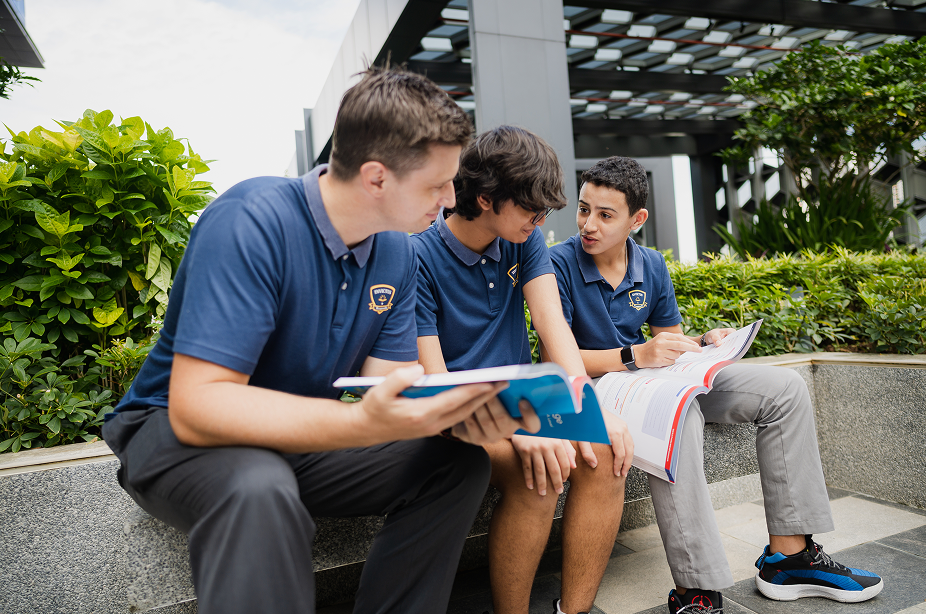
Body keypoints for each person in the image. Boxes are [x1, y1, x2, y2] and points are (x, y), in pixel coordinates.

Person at [101, 67, 542, 614]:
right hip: (175, 433)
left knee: (456, 463)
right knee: (257, 487)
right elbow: (198, 406)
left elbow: (392, 381)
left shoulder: (397, 254)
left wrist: (463, 415)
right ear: (377, 178)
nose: (452, 199)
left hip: (297, 437)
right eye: (437, 184)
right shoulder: (252, 221)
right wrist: (360, 424)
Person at [549, 156, 884, 614]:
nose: (589, 224)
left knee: (784, 390)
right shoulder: (558, 264)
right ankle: (696, 587)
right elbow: (557, 358)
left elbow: (668, 339)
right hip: (599, 391)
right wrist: (633, 355)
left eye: (606, 215)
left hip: (652, 380)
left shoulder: (650, 265)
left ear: (637, 220)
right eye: (584, 209)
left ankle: (789, 557)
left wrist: (706, 342)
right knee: (679, 411)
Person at [412, 126, 634, 614]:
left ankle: (571, 611)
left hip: (520, 400)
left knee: (604, 453)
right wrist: (515, 424)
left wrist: (589, 405)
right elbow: (436, 384)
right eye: (531, 209)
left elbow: (554, 329)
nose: (541, 220)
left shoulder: (524, 239)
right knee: (539, 471)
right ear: (487, 199)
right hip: (457, 413)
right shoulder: (417, 257)